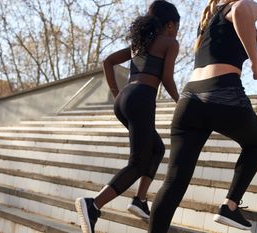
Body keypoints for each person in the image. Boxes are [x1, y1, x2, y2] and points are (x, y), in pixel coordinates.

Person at [149, 0, 257, 232]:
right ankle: (230, 206)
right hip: (222, 92)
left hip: (189, 98)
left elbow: (223, 45)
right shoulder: (243, 5)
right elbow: (243, 8)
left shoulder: (208, 20)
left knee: (173, 182)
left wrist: (251, 40)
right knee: (256, 143)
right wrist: (256, 62)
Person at [75, 1, 180, 232]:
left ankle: (139, 201)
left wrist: (116, 93)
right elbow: (167, 78)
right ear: (171, 25)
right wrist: (181, 102)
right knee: (136, 163)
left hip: (124, 100)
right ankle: (93, 205)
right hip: (142, 99)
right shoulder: (170, 42)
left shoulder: (139, 44)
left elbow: (108, 61)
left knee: (156, 149)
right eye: (177, 26)